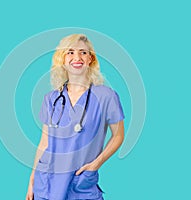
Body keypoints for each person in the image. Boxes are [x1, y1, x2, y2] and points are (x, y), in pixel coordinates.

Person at [26, 34, 125, 200]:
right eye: (70, 52)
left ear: (90, 59)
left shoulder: (106, 96)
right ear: (62, 60)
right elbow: (44, 143)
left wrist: (97, 163)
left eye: (83, 53)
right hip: (47, 182)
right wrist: (32, 179)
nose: (77, 57)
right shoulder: (51, 98)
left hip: (81, 182)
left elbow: (118, 135)